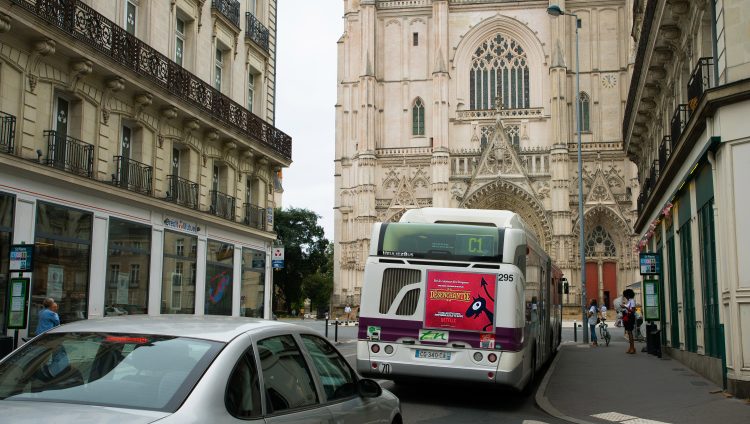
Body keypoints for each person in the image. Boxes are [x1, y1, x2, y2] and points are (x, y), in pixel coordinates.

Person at [622, 289, 637, 354]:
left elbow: (633, 311)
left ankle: (632, 348)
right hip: (628, 317)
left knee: (630, 333)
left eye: (625, 296)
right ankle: (631, 347)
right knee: (629, 332)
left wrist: (625, 307)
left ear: (628, 295)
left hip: (630, 317)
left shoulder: (632, 301)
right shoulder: (629, 301)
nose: (625, 297)